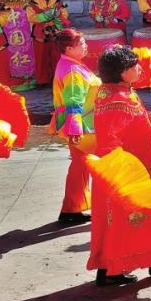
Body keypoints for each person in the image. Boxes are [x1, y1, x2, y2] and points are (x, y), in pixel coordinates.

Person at [89, 45, 151, 285]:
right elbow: (109, 140)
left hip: (132, 167)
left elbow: (135, 118)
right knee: (143, 215)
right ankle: (117, 270)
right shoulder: (117, 100)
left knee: (147, 215)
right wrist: (124, 175)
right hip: (129, 171)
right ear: (123, 72)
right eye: (135, 66)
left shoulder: (116, 92)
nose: (140, 69)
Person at [50, 29, 100, 225]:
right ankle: (72, 209)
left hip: (84, 123)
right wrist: (75, 128)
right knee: (85, 166)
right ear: (69, 49)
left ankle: (72, 208)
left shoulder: (72, 64)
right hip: (83, 125)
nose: (86, 45)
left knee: (80, 166)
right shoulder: (72, 70)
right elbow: (74, 101)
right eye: (81, 43)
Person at [27, 0, 71, 86]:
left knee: (57, 56)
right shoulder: (33, 3)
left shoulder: (58, 2)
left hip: (56, 32)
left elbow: (65, 14)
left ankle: (57, 80)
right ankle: (42, 81)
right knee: (41, 58)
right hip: (40, 33)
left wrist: (59, 15)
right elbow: (31, 18)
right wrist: (46, 15)